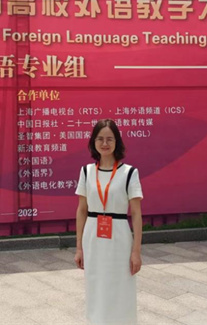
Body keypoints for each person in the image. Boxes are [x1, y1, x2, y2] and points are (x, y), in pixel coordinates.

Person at [74, 118, 143, 325]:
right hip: (93, 237)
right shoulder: (86, 172)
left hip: (119, 237)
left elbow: (136, 214)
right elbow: (82, 210)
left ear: (117, 142)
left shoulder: (129, 173)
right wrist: (79, 247)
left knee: (121, 283)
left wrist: (136, 251)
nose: (105, 143)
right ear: (93, 142)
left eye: (110, 139)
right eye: (100, 139)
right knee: (96, 284)